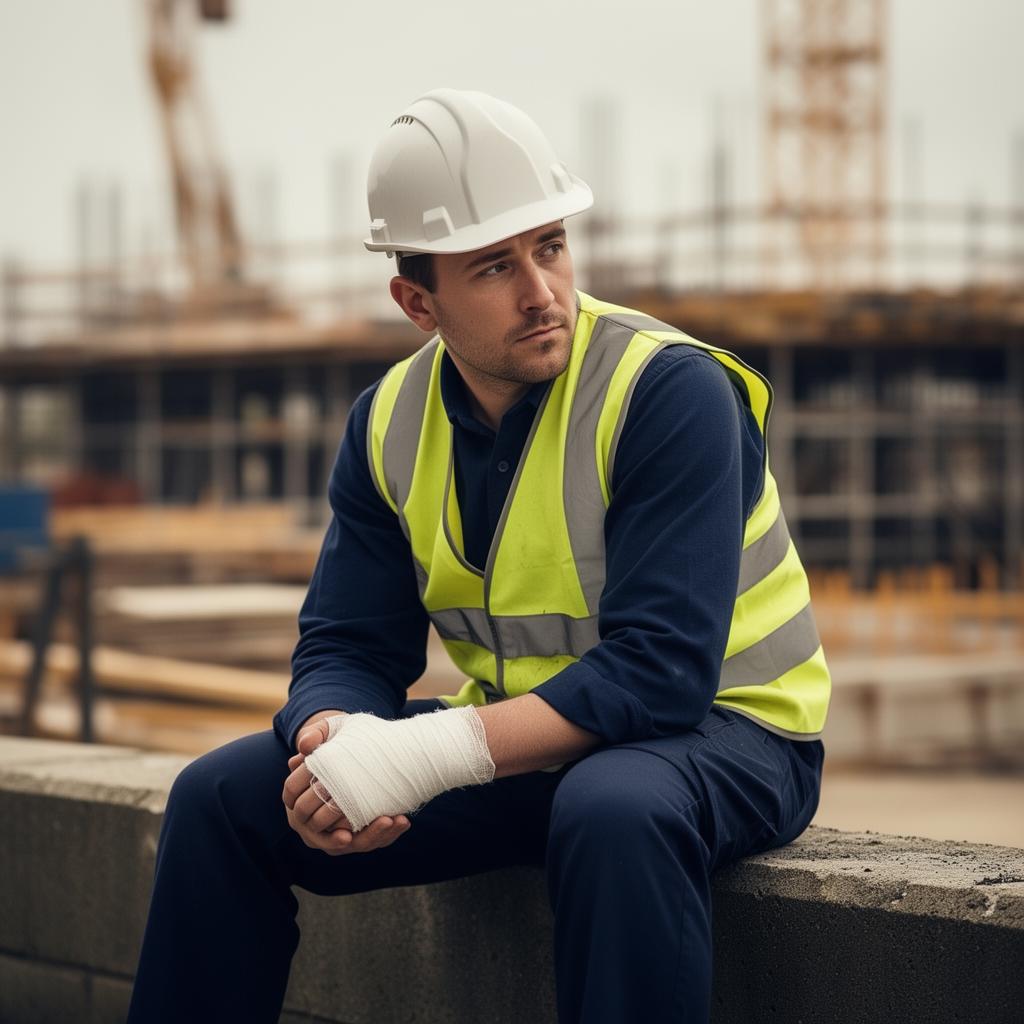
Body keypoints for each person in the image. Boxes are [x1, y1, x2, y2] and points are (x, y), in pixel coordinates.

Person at [127, 88, 829, 1024]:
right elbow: (346, 640)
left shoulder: (669, 392)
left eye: (551, 246)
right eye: (495, 265)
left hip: (731, 736)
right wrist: (335, 744)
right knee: (221, 797)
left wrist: (419, 756)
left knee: (615, 808)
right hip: (532, 747)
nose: (542, 291)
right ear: (418, 301)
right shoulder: (386, 422)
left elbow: (662, 674)